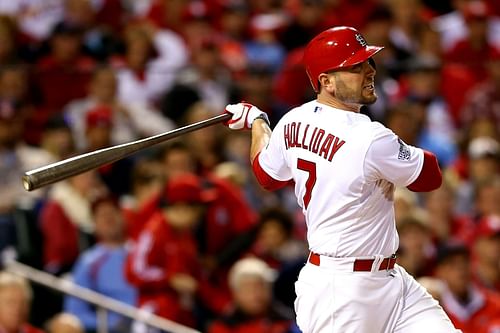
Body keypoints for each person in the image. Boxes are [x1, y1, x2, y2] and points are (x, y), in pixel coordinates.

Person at [222, 26, 460, 332]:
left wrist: (256, 121)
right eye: (355, 67)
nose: (369, 71)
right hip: (340, 291)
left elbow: (267, 175)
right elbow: (429, 176)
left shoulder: (294, 119)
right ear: (326, 82)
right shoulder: (370, 136)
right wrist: (392, 159)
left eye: (368, 62)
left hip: (391, 281)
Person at [64, 195, 137, 333]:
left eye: (112, 213)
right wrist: (111, 323)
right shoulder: (90, 262)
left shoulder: (142, 251)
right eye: (102, 216)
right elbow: (75, 311)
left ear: (122, 216)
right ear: (94, 224)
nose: (108, 219)